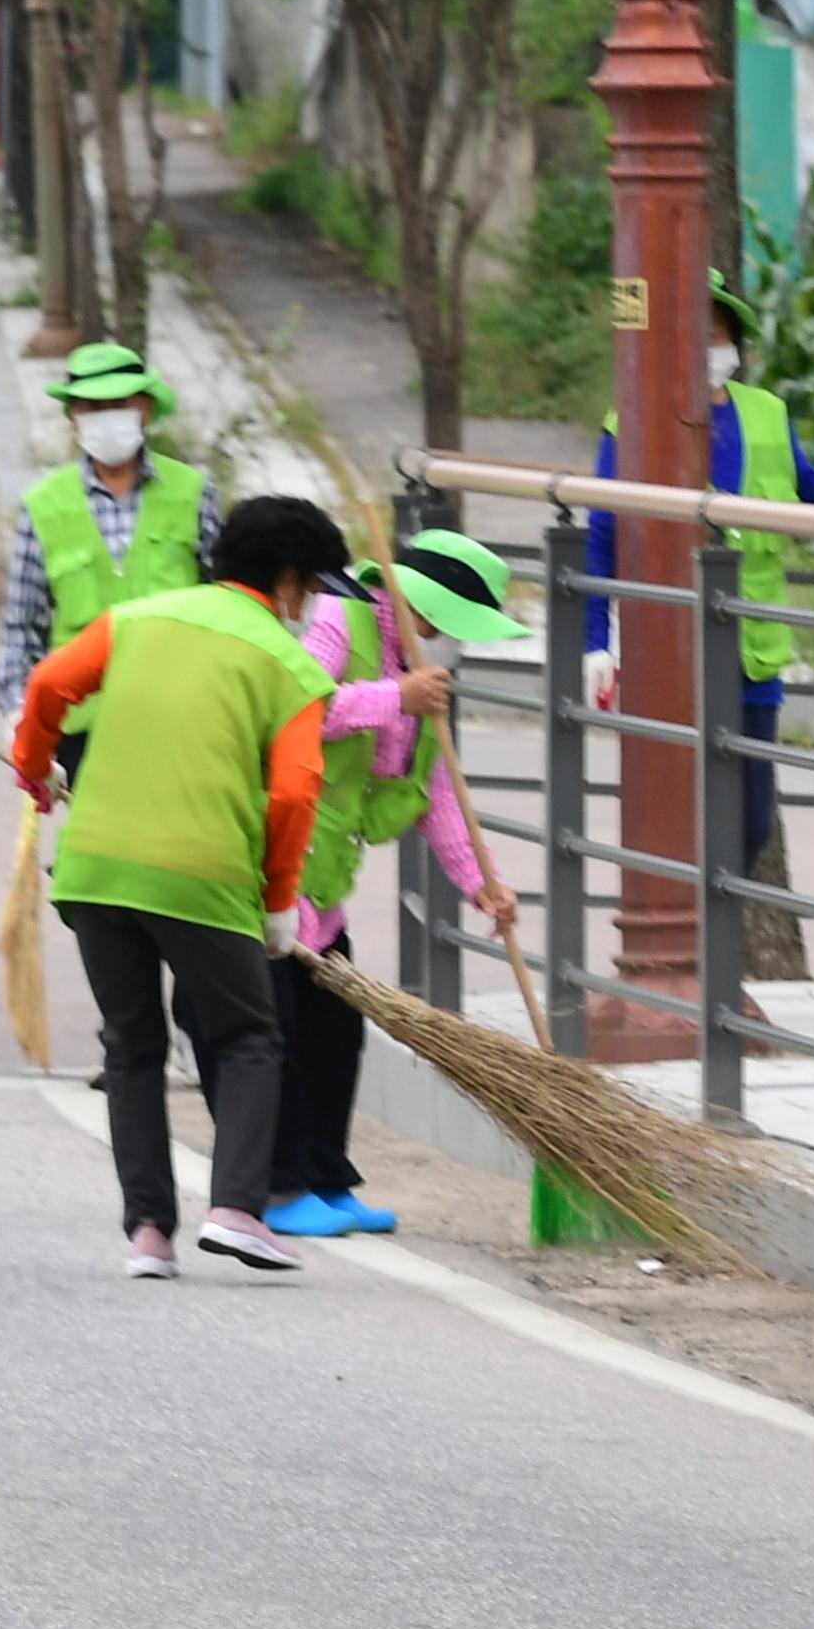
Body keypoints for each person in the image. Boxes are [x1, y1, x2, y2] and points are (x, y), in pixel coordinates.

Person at [10, 494, 359, 1279]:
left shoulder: (136, 618)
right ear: (291, 580)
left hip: (97, 869)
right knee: (248, 1039)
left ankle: (149, 1236)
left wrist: (36, 770)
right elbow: (296, 793)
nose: (309, 606)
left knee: (131, 1047)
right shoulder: (291, 665)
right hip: (204, 879)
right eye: (311, 589)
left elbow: (46, 688)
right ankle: (237, 1210)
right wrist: (277, 903)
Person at [264, 528, 528, 1239]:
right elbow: (296, 709)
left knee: (334, 1035)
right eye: (448, 624)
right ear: (422, 606)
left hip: (323, 880)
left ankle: (325, 1177)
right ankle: (278, 1189)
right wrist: (393, 696)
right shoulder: (335, 620)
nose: (451, 643)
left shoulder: (417, 671)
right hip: (271, 863)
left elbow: (431, 790)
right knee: (276, 1039)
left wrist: (484, 884)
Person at [582, 279, 814, 879]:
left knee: (751, 819)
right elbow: (604, 529)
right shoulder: (634, 418)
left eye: (714, 335)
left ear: (734, 344)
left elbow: (805, 498)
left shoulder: (766, 412)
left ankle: (714, 942)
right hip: (668, 644)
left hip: (752, 652)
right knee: (671, 810)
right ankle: (688, 949)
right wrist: (596, 641)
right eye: (691, 337)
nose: (706, 349)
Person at [0, 340, 224, 777]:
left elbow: (229, 607)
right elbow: (23, 628)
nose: (105, 417)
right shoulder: (44, 505)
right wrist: (19, 715)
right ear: (73, 419)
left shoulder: (194, 493)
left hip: (181, 720)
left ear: (145, 409)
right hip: (81, 731)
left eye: (118, 404)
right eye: (91, 407)